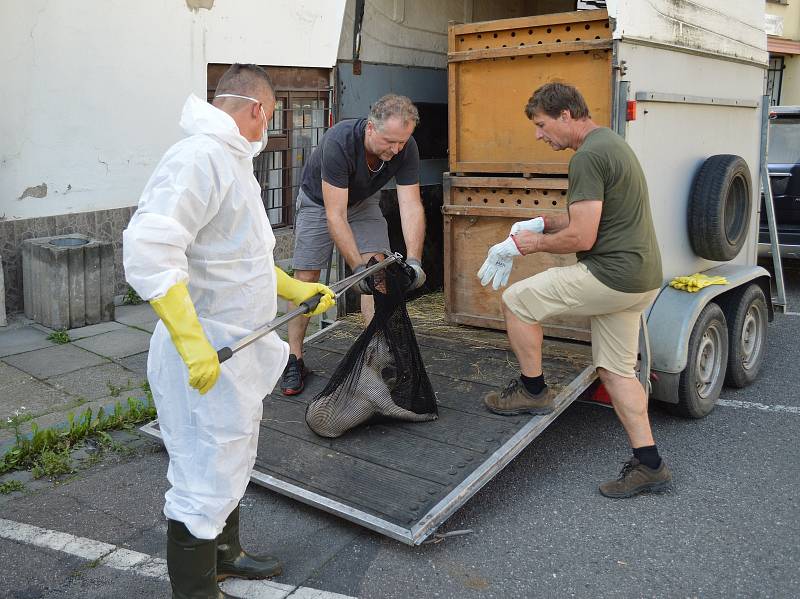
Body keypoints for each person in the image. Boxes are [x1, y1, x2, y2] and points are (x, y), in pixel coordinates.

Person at [123, 63, 335, 598]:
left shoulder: (231, 160)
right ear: (259, 111)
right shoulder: (198, 158)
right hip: (207, 355)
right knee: (202, 473)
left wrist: (295, 290)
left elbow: (240, 257)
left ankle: (226, 554)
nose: (269, 128)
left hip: (235, 352)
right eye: (271, 117)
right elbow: (151, 249)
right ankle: (195, 590)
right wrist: (193, 344)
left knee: (231, 454)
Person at [478, 82, 671, 499]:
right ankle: (650, 463)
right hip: (642, 279)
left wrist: (529, 245)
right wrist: (545, 223)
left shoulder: (586, 157)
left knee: (516, 300)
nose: (539, 135)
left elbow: (584, 236)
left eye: (542, 125)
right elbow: (595, 218)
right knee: (617, 370)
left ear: (566, 115)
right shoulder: (609, 144)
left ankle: (533, 391)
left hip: (612, 275)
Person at [281, 94, 427, 395]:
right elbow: (335, 216)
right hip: (319, 202)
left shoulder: (405, 146)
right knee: (306, 278)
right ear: (370, 128)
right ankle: (294, 358)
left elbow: (411, 205)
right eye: (390, 142)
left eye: (402, 142)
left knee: (379, 273)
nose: (396, 149)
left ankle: (375, 358)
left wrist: (414, 261)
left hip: (361, 203)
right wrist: (357, 269)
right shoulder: (340, 141)